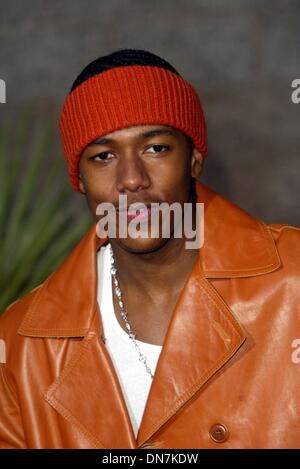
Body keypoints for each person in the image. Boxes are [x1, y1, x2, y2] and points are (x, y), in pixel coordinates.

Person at [0, 49, 299, 449]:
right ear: (81, 181)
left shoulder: (292, 285)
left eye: (155, 148)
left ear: (193, 158)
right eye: (103, 156)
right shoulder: (21, 346)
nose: (131, 179)